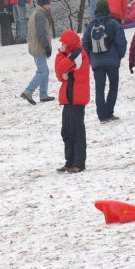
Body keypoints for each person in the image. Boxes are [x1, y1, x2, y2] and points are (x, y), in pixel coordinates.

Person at [82, 0, 127, 123]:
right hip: (112, 61)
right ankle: (109, 112)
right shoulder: (114, 24)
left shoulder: (91, 26)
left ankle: (102, 116)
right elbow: (121, 42)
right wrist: (119, 56)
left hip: (97, 62)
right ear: (108, 10)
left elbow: (85, 44)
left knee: (99, 88)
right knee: (113, 86)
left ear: (96, 10)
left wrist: (90, 59)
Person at [55, 30, 90, 173]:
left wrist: (61, 55)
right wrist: (63, 74)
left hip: (77, 97)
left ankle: (79, 162)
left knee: (77, 130)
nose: (62, 46)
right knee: (66, 130)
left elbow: (61, 68)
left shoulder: (78, 54)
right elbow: (59, 74)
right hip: (69, 98)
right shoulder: (70, 55)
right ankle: (69, 161)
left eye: (63, 43)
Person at [21, 0, 55, 104]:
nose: (50, 6)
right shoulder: (40, 15)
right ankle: (28, 91)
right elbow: (41, 32)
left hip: (35, 46)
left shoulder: (35, 13)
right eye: (49, 4)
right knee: (42, 71)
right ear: (45, 4)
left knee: (45, 71)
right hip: (39, 47)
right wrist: (46, 46)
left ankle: (43, 94)